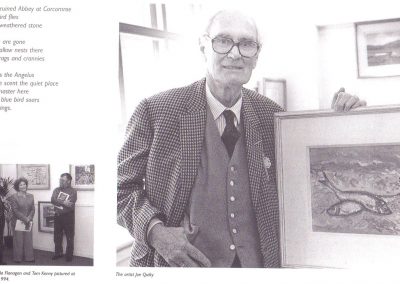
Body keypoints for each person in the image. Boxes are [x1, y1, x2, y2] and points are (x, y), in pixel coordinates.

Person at [117, 10, 366, 268]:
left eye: (246, 44)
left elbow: (304, 188)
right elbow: (118, 188)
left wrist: (342, 124)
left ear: (256, 56)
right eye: (223, 41)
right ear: (203, 47)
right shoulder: (156, 111)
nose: (235, 54)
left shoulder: (274, 116)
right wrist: (155, 232)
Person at [51, 173, 77, 262]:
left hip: (68, 217)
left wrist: (59, 201)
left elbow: (70, 203)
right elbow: (53, 200)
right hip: (57, 216)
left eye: (62, 180)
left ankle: (69, 255)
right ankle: (58, 253)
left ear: (68, 181)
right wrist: (63, 202)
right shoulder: (56, 190)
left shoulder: (73, 191)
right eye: (60, 179)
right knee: (57, 236)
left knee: (70, 236)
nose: (60, 181)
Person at [9, 177, 35, 263]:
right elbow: (15, 210)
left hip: (28, 221)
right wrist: (25, 218)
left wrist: (29, 218)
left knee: (28, 239)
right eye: (21, 185)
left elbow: (33, 209)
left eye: (24, 184)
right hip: (18, 221)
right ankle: (17, 258)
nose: (23, 186)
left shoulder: (31, 196)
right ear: (17, 186)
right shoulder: (14, 197)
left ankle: (29, 257)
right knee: (18, 240)